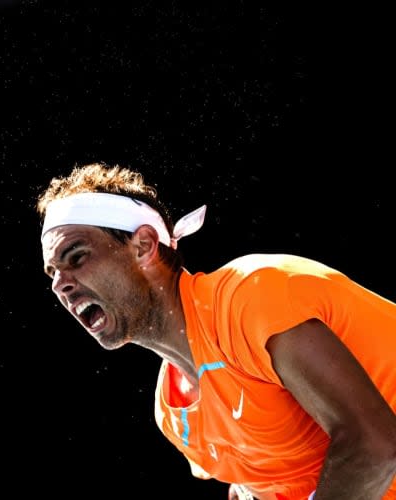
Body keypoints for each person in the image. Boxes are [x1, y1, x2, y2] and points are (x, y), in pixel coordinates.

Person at [36, 162, 396, 500]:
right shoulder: (172, 415)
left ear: (143, 246)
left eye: (77, 257)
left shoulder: (252, 295)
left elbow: (376, 444)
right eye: (52, 274)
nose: (60, 286)